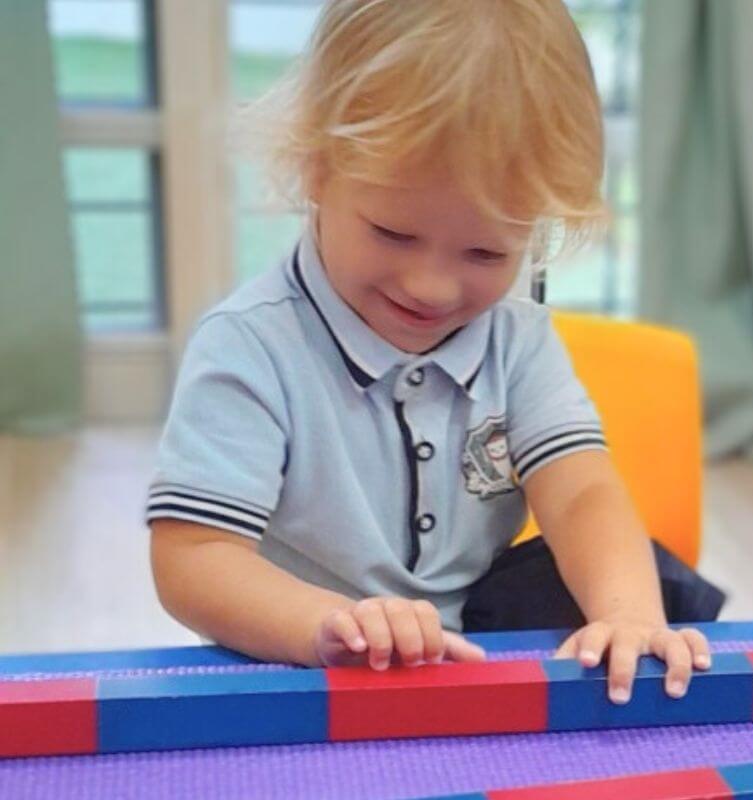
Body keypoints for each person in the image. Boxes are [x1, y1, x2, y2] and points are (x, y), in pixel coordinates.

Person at [147, 0, 723, 706]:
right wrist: (330, 626)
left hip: (471, 659)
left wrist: (630, 613)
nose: (431, 286)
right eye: (392, 233)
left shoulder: (517, 338)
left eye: (486, 252)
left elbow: (581, 492)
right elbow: (193, 560)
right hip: (299, 669)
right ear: (315, 166)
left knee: (657, 601)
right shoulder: (250, 347)